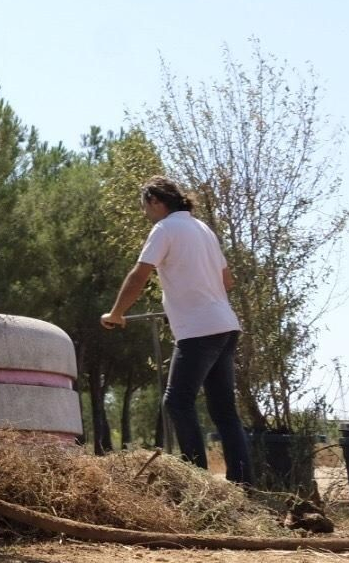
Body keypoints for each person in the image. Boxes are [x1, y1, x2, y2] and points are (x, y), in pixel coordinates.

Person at [102, 176, 252, 485]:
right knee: (224, 411)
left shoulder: (165, 229)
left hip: (199, 329)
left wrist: (116, 313)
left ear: (156, 201)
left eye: (145, 207)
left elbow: (139, 275)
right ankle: (244, 484)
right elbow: (228, 282)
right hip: (225, 325)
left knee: (176, 401)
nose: (145, 213)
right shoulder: (203, 229)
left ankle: (196, 482)